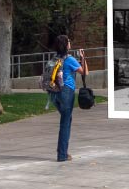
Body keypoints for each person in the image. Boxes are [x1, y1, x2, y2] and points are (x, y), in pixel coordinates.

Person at [50, 34, 88, 162]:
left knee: (66, 119)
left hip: (53, 93)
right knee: (65, 122)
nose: (70, 43)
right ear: (66, 45)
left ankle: (63, 152)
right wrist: (83, 58)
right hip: (66, 91)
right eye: (69, 41)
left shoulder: (55, 58)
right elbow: (85, 72)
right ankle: (62, 154)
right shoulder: (70, 59)